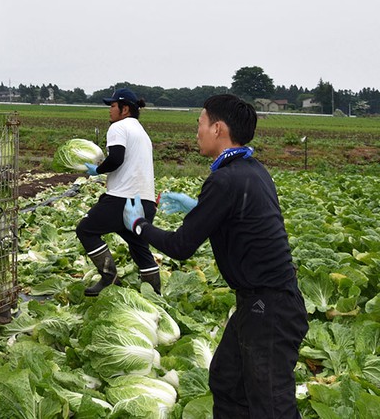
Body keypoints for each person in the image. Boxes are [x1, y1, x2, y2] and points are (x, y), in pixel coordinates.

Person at [123, 94, 308, 418]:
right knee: (226, 380)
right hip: (263, 303)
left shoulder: (225, 179)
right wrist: (198, 208)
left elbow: (181, 246)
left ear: (218, 128)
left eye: (200, 124)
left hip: (269, 309)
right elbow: (242, 218)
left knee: (271, 406)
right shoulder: (252, 170)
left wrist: (139, 226)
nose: (197, 132)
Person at [75, 87, 161, 297]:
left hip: (122, 199)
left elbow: (116, 158)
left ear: (125, 109)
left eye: (113, 106)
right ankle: (155, 293)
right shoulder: (141, 132)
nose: (110, 110)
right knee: (138, 244)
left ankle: (109, 278)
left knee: (86, 230)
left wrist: (98, 170)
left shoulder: (119, 127)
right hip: (146, 201)